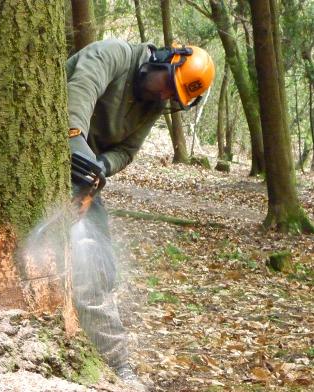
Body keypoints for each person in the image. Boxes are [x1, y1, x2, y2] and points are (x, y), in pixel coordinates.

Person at [66, 38, 214, 387]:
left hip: (84, 170)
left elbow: (128, 151)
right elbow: (81, 88)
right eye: (168, 86)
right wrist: (76, 140)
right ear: (165, 61)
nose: (165, 97)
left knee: (103, 266)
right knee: (84, 259)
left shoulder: (152, 106)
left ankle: (105, 357)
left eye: (173, 97)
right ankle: (116, 365)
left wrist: (102, 163)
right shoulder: (114, 54)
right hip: (57, 148)